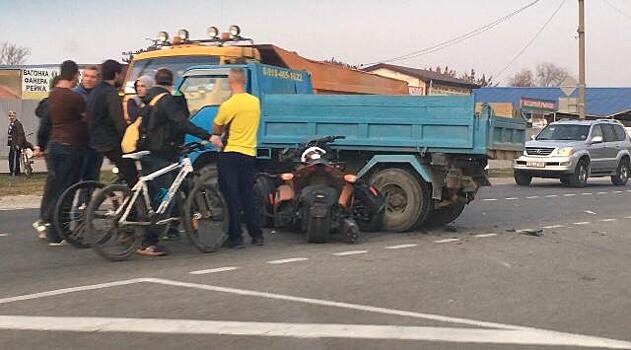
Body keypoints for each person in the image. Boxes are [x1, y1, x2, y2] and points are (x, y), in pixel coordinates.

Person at [136, 68, 213, 256]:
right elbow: (182, 122)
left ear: (155, 81)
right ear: (173, 82)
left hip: (146, 150)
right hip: (162, 152)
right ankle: (150, 242)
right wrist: (206, 135)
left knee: (157, 194)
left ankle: (161, 230)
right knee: (164, 197)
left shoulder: (148, 98)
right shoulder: (167, 99)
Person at [210, 68, 263, 249]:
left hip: (230, 153)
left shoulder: (229, 104)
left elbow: (216, 128)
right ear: (245, 82)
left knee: (231, 195)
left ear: (230, 82)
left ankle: (236, 237)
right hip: (249, 153)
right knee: (248, 194)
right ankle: (257, 235)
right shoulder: (255, 102)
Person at [45, 60, 88, 245]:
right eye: (78, 75)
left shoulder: (52, 95)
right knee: (67, 191)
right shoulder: (75, 98)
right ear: (74, 75)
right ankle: (59, 230)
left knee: (57, 188)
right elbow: (86, 118)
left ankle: (50, 226)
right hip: (71, 146)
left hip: (54, 145)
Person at [86, 59, 137, 186]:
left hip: (95, 140)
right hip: (110, 141)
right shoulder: (111, 93)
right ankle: (135, 202)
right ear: (115, 75)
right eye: (120, 75)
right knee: (131, 173)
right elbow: (118, 121)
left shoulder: (94, 92)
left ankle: (121, 190)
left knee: (122, 171)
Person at [32, 76, 60, 238]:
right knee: (55, 184)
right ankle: (46, 219)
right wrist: (42, 146)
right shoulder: (51, 104)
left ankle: (46, 219)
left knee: (53, 183)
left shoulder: (46, 103)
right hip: (54, 146)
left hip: (51, 147)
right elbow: (44, 128)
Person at [74, 66, 102, 181]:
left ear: (98, 79)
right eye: (86, 76)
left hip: (96, 144)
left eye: (92, 77)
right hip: (79, 143)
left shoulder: (101, 95)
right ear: (82, 77)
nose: (89, 79)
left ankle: (86, 199)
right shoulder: (75, 94)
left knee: (92, 180)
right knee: (75, 179)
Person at [7, 110, 26, 176]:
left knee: (14, 159)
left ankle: (15, 173)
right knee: (11, 158)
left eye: (12, 116)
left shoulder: (17, 124)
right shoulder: (12, 124)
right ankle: (14, 172)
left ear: (15, 116)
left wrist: (18, 144)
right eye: (10, 116)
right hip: (12, 144)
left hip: (16, 145)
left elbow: (21, 135)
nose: (11, 117)